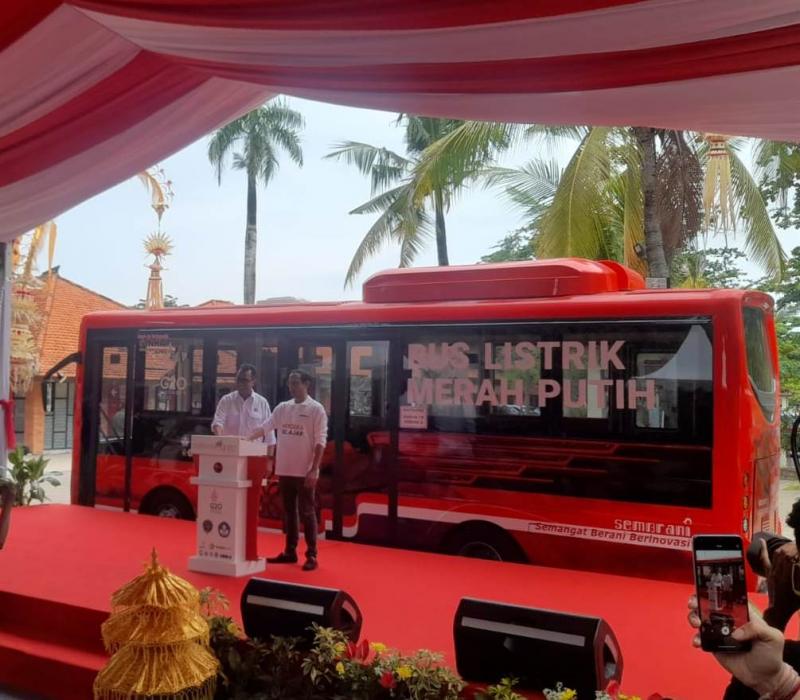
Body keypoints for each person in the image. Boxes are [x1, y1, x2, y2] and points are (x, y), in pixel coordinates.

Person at [249, 369, 327, 572]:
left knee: (308, 512)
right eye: (290, 383)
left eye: (296, 383)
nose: (292, 387)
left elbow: (321, 441)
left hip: (305, 471)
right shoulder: (283, 408)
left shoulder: (316, 409)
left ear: (306, 384)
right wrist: (244, 439)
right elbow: (265, 427)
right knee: (289, 512)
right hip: (285, 470)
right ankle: (290, 551)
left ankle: (312, 554)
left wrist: (314, 469)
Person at [211, 364, 276, 455]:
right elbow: (217, 423)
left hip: (254, 455)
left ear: (253, 382)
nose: (240, 383)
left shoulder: (262, 403)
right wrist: (220, 439)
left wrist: (268, 464)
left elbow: (270, 436)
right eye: (238, 379)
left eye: (244, 380)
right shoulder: (226, 400)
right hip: (229, 454)